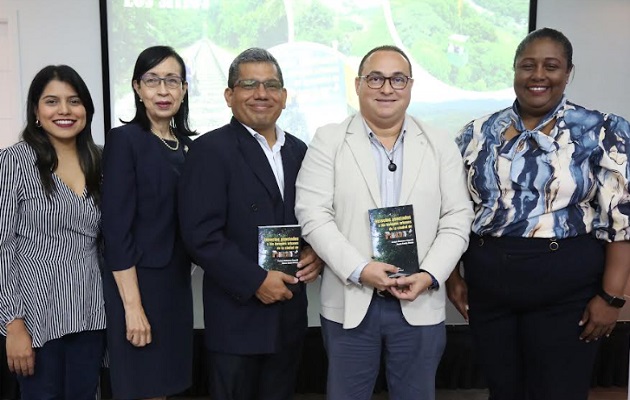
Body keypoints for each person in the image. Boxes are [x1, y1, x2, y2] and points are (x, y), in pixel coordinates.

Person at [446, 27, 630, 400]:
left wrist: (612, 299)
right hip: (489, 290)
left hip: (566, 293)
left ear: (568, 72)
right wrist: (452, 277)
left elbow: (621, 221)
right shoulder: (477, 133)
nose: (538, 75)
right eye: (527, 65)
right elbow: (452, 212)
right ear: (515, 70)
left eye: (551, 66)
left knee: (559, 392)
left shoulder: (602, 131)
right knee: (503, 390)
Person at [294, 45, 474, 400]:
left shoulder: (439, 143)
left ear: (410, 86)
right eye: (375, 78)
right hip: (351, 298)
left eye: (397, 79)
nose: (387, 88)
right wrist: (360, 268)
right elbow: (312, 213)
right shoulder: (328, 139)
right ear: (358, 85)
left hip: (419, 299)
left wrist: (429, 275)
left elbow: (457, 217)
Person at [178, 47, 323, 400]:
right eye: (249, 84)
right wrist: (256, 280)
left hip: (289, 314)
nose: (262, 93)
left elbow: (314, 216)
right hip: (237, 317)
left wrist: (316, 251)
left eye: (271, 85)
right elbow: (200, 236)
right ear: (229, 95)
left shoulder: (300, 151)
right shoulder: (209, 150)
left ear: (284, 97)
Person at [0, 65, 105, 399]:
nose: (64, 110)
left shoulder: (100, 161)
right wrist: (13, 324)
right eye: (51, 101)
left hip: (91, 313)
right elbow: (2, 246)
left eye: (74, 101)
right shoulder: (14, 161)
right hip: (35, 318)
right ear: (36, 110)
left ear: (86, 109)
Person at [101, 45, 195, 400]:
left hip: (175, 287)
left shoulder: (187, 147)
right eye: (152, 80)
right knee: (144, 387)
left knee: (167, 386)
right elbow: (116, 230)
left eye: (172, 80)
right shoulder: (125, 141)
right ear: (137, 88)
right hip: (137, 285)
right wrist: (133, 307)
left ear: (184, 89)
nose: (163, 90)